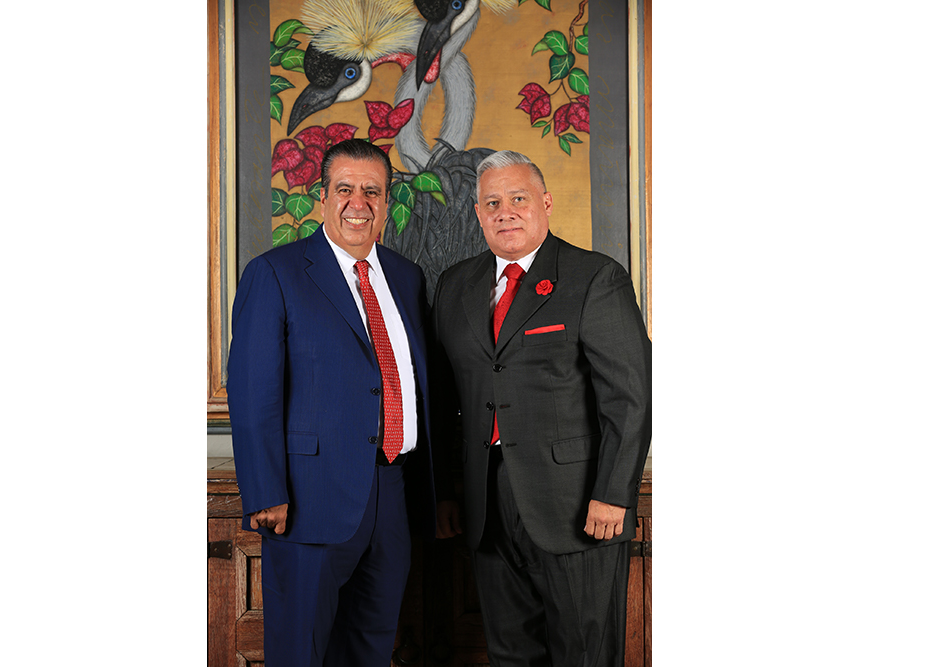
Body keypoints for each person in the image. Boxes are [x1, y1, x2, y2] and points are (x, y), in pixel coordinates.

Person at [431, 150, 651, 666]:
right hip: (486, 506)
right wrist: (445, 493)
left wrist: (613, 494)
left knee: (584, 655)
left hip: (579, 505)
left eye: (518, 198)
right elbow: (441, 400)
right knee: (510, 654)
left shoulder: (594, 277)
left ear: (546, 203)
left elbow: (630, 397)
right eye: (492, 203)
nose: (505, 212)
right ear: (478, 213)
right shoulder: (455, 285)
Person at [226, 139, 437, 667]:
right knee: (301, 653)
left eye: (372, 191)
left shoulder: (406, 277)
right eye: (345, 189)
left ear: (386, 202)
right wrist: (265, 492)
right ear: (322, 197)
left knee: (371, 648)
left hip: (394, 495)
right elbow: (253, 393)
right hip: (307, 500)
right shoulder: (274, 272)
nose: (357, 203)